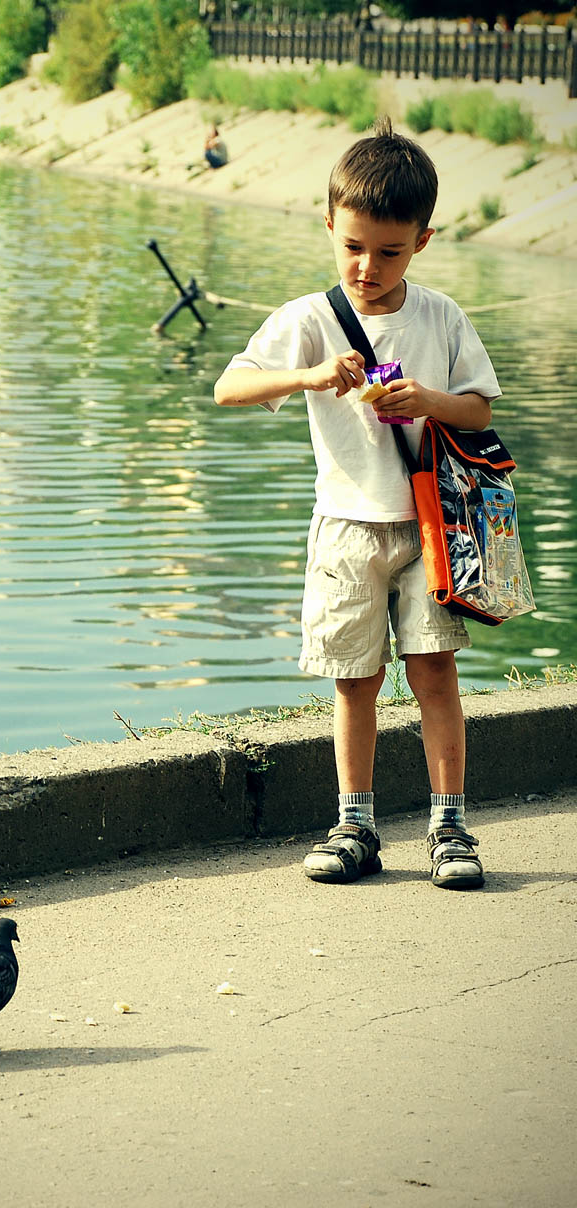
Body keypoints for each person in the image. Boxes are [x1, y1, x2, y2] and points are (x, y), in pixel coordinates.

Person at [214, 116, 500, 890]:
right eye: (351, 246)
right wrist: (305, 378)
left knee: (436, 675)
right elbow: (228, 387)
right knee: (355, 682)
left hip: (430, 528)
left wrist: (429, 399)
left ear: (423, 241)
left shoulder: (440, 316)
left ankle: (449, 827)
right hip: (345, 527)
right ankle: (356, 824)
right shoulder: (309, 318)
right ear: (329, 226)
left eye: (388, 251)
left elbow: (479, 409)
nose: (367, 267)